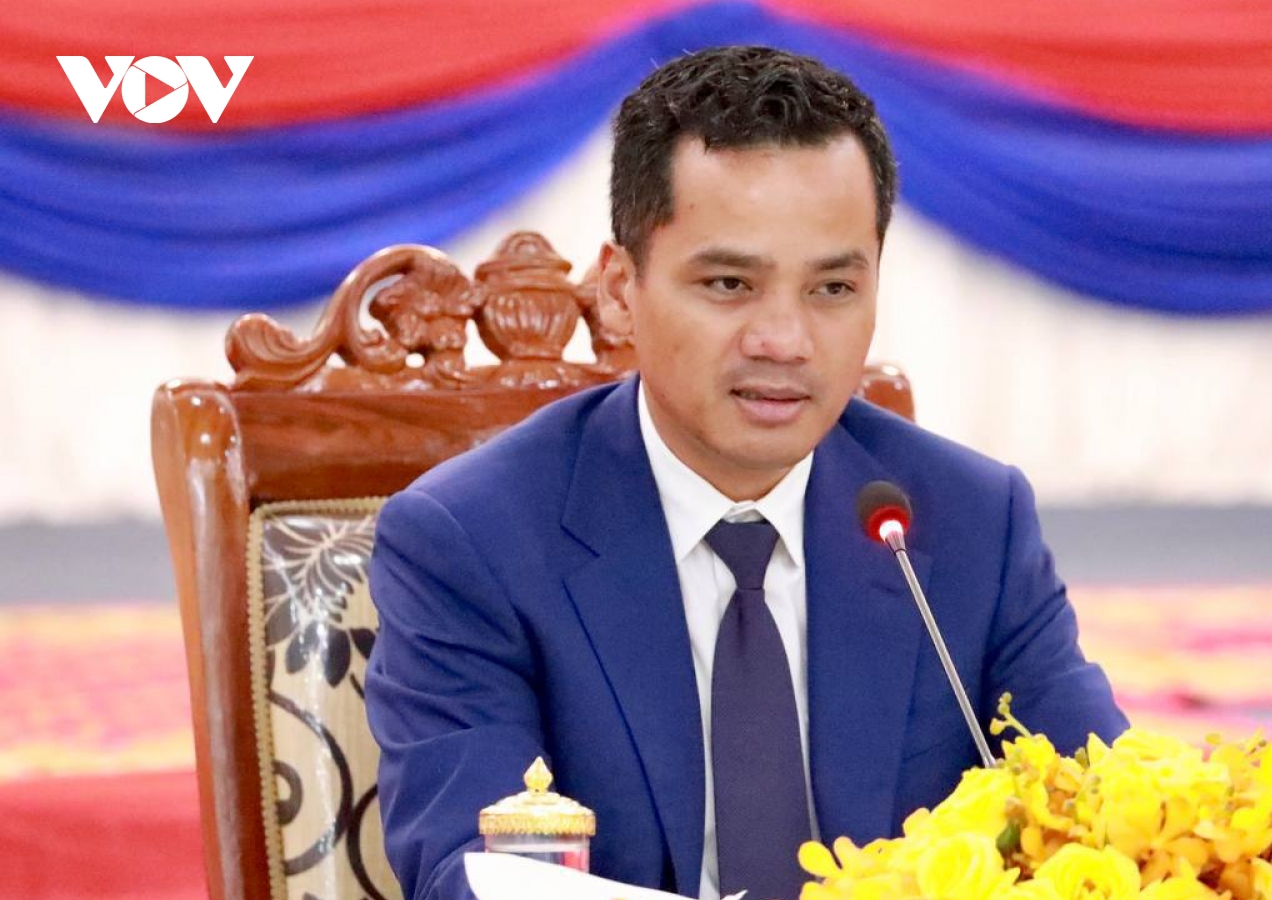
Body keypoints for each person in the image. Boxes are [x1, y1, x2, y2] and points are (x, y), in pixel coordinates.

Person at [365, 45, 1127, 900]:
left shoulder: (970, 523)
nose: (785, 341)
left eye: (832, 289)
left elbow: (1110, 827)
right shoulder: (472, 543)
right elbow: (477, 876)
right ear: (619, 290)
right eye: (729, 283)